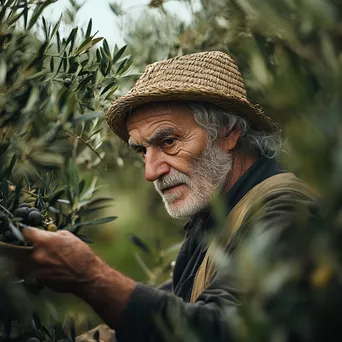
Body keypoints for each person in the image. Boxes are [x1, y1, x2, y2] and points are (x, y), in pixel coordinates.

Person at [23, 51, 318, 342]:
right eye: (142, 151)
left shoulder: (287, 209)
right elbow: (183, 303)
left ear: (229, 132)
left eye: (168, 141)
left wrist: (90, 276)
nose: (151, 172)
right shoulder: (212, 221)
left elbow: (225, 330)